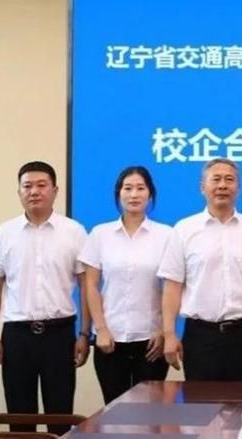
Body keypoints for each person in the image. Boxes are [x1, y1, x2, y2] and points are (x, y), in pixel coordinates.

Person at [0, 161, 89, 434]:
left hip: (60, 335)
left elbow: (86, 286)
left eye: (42, 185)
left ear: (55, 191)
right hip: (17, 336)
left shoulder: (74, 231)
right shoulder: (4, 233)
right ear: (19, 192)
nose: (34, 191)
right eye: (27, 186)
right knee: (20, 417)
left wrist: (85, 334)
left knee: (60, 414)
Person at [158, 158, 242, 381]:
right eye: (216, 179)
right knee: (201, 400)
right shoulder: (184, 230)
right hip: (200, 336)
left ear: (238, 188)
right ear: (202, 187)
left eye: (229, 180)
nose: (222, 185)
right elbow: (172, 286)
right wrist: (170, 334)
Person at [79, 166, 173, 403]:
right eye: (128, 188)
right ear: (118, 193)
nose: (134, 195)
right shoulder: (100, 234)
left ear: (150, 194)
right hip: (110, 339)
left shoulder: (166, 235)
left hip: (152, 340)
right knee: (114, 411)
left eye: (141, 188)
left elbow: (172, 288)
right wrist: (100, 329)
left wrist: (164, 330)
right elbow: (91, 285)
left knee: (151, 413)